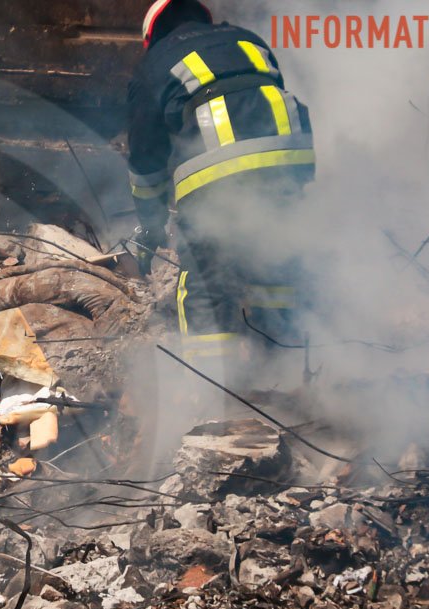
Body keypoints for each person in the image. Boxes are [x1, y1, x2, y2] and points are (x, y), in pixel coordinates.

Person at [127, 0, 314, 375]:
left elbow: (146, 160)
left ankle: (209, 390)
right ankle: (283, 373)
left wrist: (151, 222)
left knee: (205, 274)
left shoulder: (154, 64)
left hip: (220, 165)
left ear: (153, 35)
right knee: (274, 260)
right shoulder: (249, 40)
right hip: (291, 158)